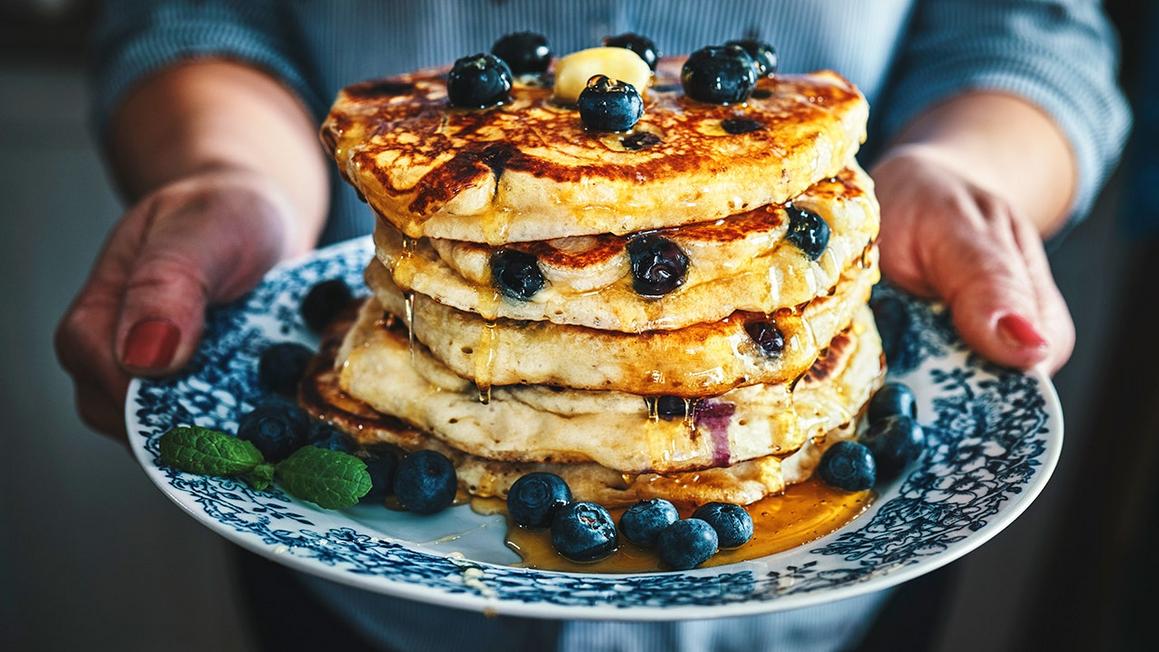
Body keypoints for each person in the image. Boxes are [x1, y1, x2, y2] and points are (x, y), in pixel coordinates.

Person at [55, 1, 1129, 650]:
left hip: (815, 618)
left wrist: (959, 171)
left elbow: (1027, 29)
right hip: (366, 601)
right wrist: (230, 172)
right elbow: (190, 13)